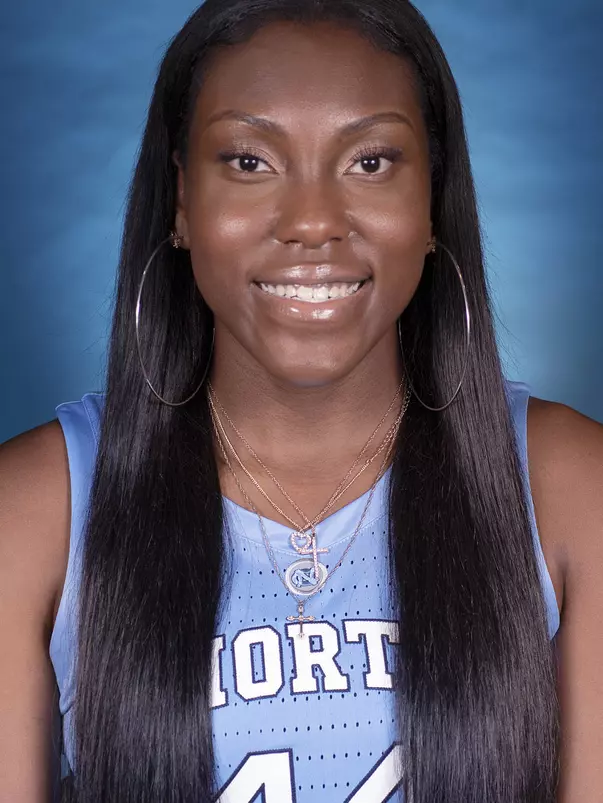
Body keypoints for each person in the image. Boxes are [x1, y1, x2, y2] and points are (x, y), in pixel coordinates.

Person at [1, 0, 602, 801]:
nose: (313, 223)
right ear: (181, 200)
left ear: (433, 197)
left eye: (370, 161)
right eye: (249, 161)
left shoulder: (571, 487)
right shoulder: (37, 509)